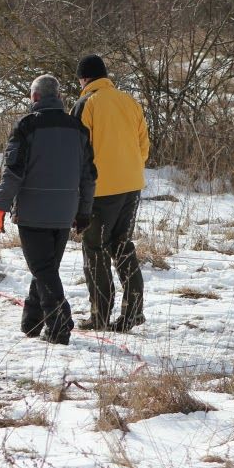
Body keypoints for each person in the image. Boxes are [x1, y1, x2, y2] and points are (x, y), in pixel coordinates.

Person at [0, 74, 96, 345]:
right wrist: (84, 212)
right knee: (46, 268)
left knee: (43, 268)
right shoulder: (78, 128)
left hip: (33, 213)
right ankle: (32, 321)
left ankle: (60, 325)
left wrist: (0, 207)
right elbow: (89, 176)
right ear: (59, 97)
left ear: (35, 97)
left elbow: (13, 172)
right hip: (65, 212)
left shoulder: (26, 126)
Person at [71, 54, 149, 332]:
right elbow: (143, 146)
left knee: (95, 250)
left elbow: (77, 151)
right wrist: (130, 170)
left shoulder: (86, 104)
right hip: (132, 186)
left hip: (100, 190)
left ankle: (100, 315)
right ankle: (133, 312)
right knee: (122, 245)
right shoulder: (130, 101)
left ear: (84, 78)